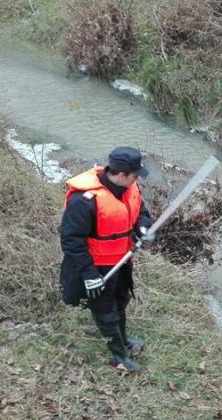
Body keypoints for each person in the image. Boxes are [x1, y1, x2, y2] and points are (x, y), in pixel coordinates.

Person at [59, 146, 153, 373]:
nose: (137, 178)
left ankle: (122, 338)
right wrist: (89, 275)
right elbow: (71, 241)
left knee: (121, 300)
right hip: (97, 266)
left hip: (122, 260)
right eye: (135, 174)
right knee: (105, 309)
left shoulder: (130, 188)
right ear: (121, 175)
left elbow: (141, 211)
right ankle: (118, 356)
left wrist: (143, 227)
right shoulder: (84, 200)